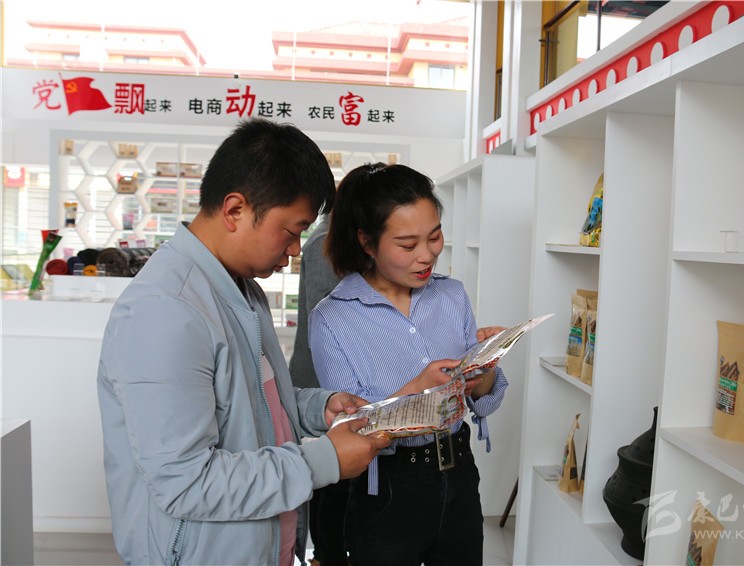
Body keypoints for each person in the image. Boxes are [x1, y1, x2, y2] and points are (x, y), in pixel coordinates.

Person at [97, 118, 389, 566]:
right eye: (291, 231)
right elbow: (187, 482)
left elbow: (248, 404)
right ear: (235, 210)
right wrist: (324, 460)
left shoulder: (241, 289)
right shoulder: (166, 312)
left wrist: (318, 408)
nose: (296, 250)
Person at [308, 163, 509, 566]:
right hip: (388, 488)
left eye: (434, 236)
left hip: (459, 471)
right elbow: (351, 427)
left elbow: (484, 399)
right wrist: (417, 389)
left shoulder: (452, 295)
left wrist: (484, 369)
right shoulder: (333, 318)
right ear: (367, 242)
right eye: (407, 244)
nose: (427, 254)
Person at [289, 212, 346, 566]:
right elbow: (326, 319)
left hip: (326, 387)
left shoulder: (331, 240)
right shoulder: (324, 244)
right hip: (320, 386)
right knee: (331, 485)